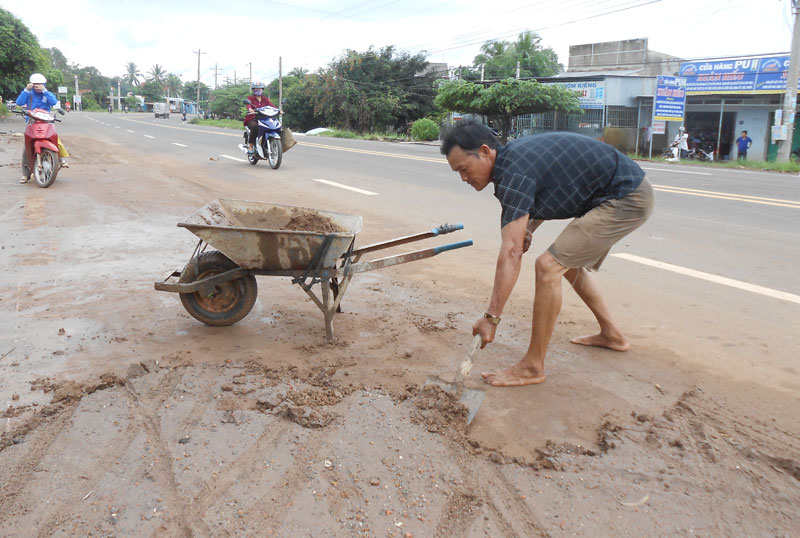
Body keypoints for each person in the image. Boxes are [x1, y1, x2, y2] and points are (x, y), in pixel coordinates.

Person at [441, 120, 654, 386]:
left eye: (464, 168)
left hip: (626, 197)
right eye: (457, 173)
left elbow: (511, 252)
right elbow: (546, 190)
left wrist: (491, 318)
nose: (463, 178)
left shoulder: (512, 172)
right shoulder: (514, 161)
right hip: (617, 191)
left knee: (548, 266)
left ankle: (532, 367)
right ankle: (612, 334)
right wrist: (529, 227)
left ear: (485, 151)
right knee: (568, 263)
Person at [15, 73, 69, 183]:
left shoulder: (46, 94)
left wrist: (44, 90)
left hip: (46, 122)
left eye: (40, 84)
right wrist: (26, 89)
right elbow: (19, 102)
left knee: (55, 140)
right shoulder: (29, 94)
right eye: (35, 84)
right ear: (31, 84)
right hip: (31, 122)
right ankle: (25, 174)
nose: (38, 86)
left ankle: (60, 159)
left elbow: (54, 102)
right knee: (27, 147)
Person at [243, 80, 275, 155]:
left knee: (274, 125)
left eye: (260, 89)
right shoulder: (250, 98)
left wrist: (279, 110)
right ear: (253, 90)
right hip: (253, 118)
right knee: (255, 126)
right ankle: (251, 145)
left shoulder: (265, 99)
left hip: (264, 119)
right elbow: (248, 105)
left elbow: (272, 106)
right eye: (256, 89)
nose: (258, 91)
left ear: (262, 90)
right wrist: (250, 109)